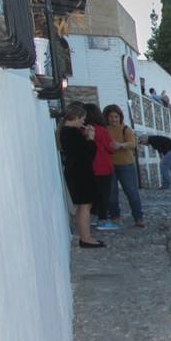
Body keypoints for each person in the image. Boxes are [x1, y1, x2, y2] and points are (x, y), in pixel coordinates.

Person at [58, 103, 104, 248]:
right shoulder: (71, 133)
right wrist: (90, 138)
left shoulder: (65, 132)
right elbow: (87, 154)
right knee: (85, 205)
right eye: (82, 119)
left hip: (76, 171)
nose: (83, 122)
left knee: (83, 206)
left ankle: (84, 236)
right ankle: (86, 238)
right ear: (75, 117)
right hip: (80, 173)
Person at [103, 104, 145, 228]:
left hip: (126, 165)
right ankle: (115, 215)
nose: (113, 119)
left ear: (120, 117)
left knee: (131, 192)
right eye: (111, 117)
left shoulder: (126, 129)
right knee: (111, 193)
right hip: (110, 164)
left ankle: (138, 217)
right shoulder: (105, 129)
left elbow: (133, 144)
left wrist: (121, 145)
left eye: (116, 116)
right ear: (107, 117)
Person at [84, 104, 116, 231]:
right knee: (104, 194)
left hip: (88, 167)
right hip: (103, 166)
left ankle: (90, 218)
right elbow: (110, 148)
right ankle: (102, 219)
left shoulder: (83, 129)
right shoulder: (101, 130)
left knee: (92, 195)